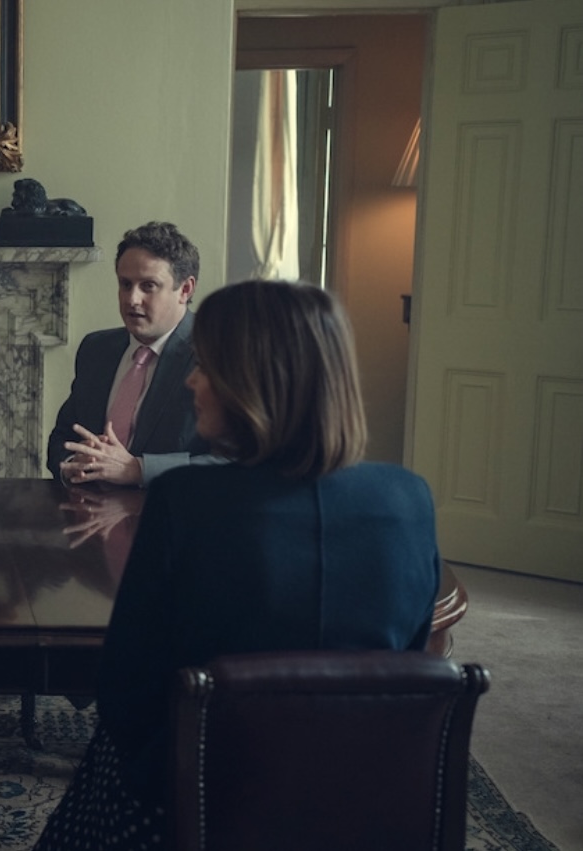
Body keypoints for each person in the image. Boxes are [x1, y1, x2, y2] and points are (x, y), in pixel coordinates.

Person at [32, 280, 441, 851]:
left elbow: (125, 687)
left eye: (207, 366)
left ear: (254, 381)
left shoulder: (186, 501)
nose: (192, 380)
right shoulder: (409, 498)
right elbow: (410, 663)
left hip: (198, 797)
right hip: (363, 798)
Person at [46, 221, 212, 487]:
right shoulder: (96, 349)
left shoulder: (217, 355)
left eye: (148, 286)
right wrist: (73, 464)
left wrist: (139, 469)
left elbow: (234, 463)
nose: (132, 299)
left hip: (171, 508)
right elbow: (63, 436)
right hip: (88, 505)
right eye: (125, 284)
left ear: (185, 289)